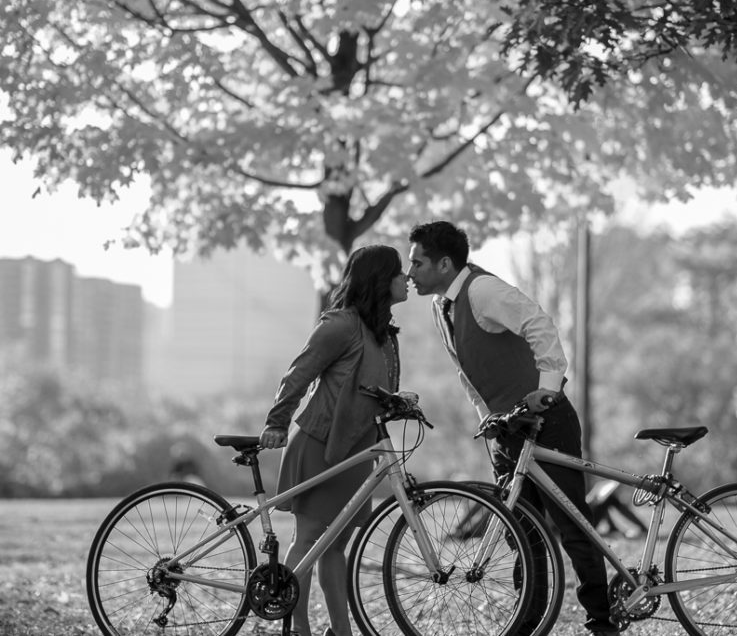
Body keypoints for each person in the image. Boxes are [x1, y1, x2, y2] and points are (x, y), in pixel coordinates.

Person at [407, 221, 617, 636]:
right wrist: (487, 417)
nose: (410, 272)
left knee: (571, 521)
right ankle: (528, 622)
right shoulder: (441, 307)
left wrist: (548, 389)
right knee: (521, 531)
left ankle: (602, 618)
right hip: (505, 429)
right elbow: (468, 372)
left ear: (444, 263)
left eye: (417, 263)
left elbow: (539, 324)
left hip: (546, 420)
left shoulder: (482, 291)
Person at [259, 245, 409, 636]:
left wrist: (399, 403)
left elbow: (370, 392)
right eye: (398, 272)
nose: (406, 277)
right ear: (380, 281)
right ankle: (296, 628)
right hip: (320, 444)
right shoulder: (342, 324)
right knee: (309, 539)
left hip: (358, 450)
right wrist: (277, 421)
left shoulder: (383, 335)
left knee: (336, 547)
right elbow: (299, 372)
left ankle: (342, 632)